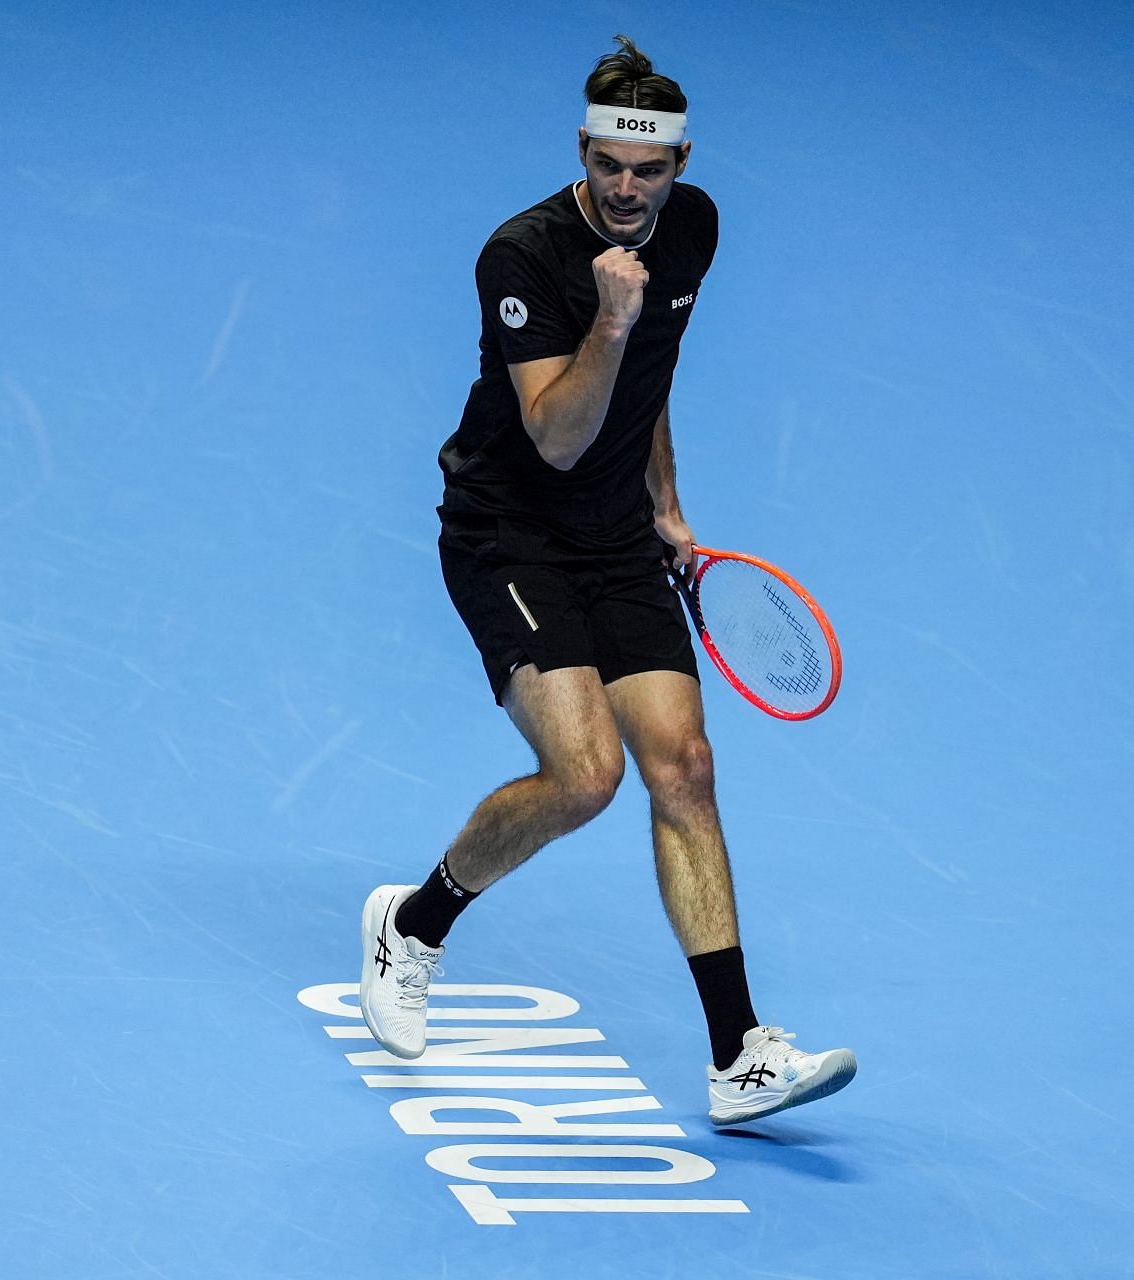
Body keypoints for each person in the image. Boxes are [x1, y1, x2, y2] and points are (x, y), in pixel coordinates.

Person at [358, 35, 855, 1125]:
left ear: (679, 168)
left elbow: (650, 386)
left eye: (651, 171)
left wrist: (667, 499)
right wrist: (612, 317)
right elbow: (561, 437)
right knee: (585, 775)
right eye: (608, 167)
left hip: (620, 532)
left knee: (683, 764)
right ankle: (416, 920)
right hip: (508, 532)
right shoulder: (522, 257)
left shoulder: (695, 229)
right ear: (581, 152)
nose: (628, 190)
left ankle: (739, 1052)